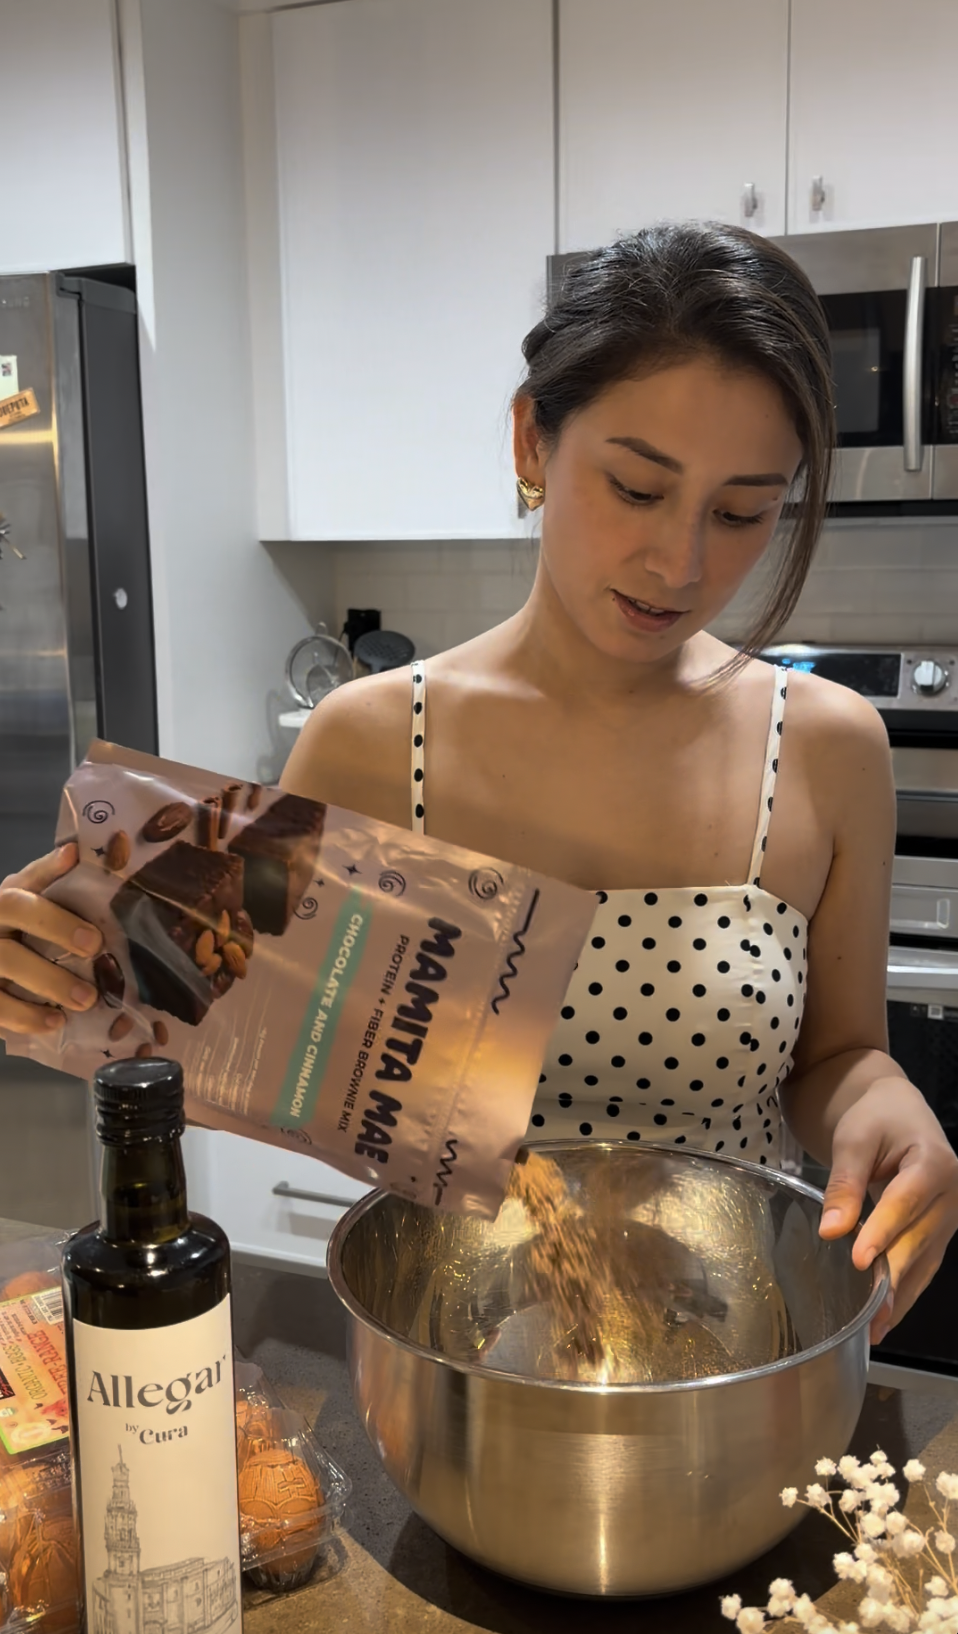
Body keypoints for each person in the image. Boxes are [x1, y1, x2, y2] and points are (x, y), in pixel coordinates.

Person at [2, 223, 956, 1345]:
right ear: (532, 442)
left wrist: (884, 1102)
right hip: (454, 1365)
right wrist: (56, 964)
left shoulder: (829, 747)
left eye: (742, 511)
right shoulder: (370, 741)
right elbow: (194, 1017)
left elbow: (838, 1058)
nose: (681, 561)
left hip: (727, 1358)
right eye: (637, 486)